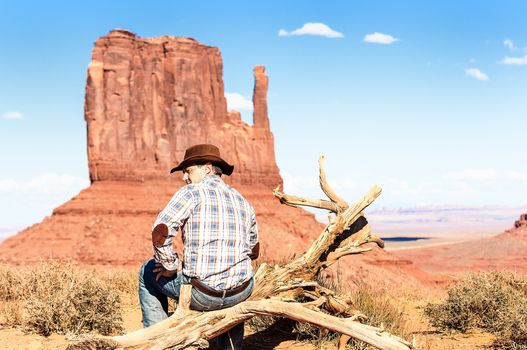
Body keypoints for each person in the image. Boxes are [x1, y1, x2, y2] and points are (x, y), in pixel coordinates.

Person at [138, 143, 259, 350]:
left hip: (202, 294)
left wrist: (170, 266)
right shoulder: (243, 200)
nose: (184, 178)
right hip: (240, 292)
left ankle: (157, 341)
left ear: (207, 168)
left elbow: (160, 231)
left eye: (188, 171)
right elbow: (254, 250)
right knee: (235, 285)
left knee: (146, 272)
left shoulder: (191, 193)